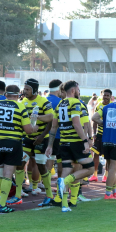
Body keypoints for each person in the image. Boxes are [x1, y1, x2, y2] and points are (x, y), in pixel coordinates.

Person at [0, 85, 37, 213]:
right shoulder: (20, 106)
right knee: (8, 175)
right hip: (13, 143)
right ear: (18, 94)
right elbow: (28, 130)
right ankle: (2, 204)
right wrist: (34, 127)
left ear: (6, 93)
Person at [45, 80, 94, 212]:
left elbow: (54, 127)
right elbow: (77, 123)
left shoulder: (60, 104)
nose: (78, 91)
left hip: (63, 143)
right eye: (78, 89)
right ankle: (66, 182)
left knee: (66, 169)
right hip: (76, 142)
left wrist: (50, 145)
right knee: (90, 169)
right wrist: (85, 140)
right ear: (73, 90)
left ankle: (65, 205)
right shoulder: (76, 103)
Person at [15, 78, 54, 206]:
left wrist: (42, 136)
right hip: (27, 138)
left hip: (41, 138)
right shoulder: (23, 102)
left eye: (27, 89)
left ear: (34, 90)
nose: (24, 91)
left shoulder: (44, 101)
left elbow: (51, 118)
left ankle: (49, 195)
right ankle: (18, 194)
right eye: (24, 88)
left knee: (41, 164)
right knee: (20, 162)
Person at [92, 90, 116, 199]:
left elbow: (94, 118)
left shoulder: (105, 107)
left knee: (110, 167)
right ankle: (108, 194)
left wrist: (104, 124)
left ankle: (114, 192)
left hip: (106, 141)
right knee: (113, 169)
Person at [89, 89, 111, 183]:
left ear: (110, 96)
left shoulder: (112, 106)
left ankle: (106, 176)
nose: (105, 97)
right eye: (104, 95)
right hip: (100, 134)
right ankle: (95, 175)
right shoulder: (98, 105)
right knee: (96, 154)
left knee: (108, 156)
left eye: (107, 95)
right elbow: (94, 120)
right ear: (101, 95)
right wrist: (94, 133)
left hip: (109, 135)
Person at [45, 79, 62, 177]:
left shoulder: (42, 100)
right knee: (58, 161)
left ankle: (37, 183)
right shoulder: (61, 102)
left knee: (39, 160)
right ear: (59, 89)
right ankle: (60, 186)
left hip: (41, 135)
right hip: (57, 135)